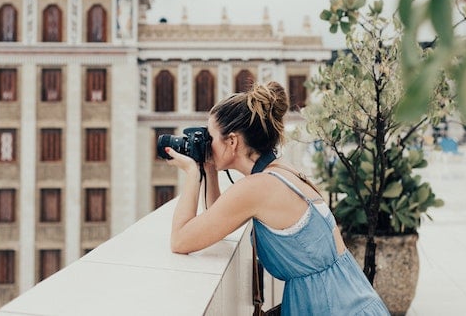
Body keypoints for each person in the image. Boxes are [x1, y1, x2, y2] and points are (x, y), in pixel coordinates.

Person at [164, 81, 389, 315]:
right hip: (352, 300)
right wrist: (208, 168)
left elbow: (180, 240)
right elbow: (217, 219)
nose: (206, 144)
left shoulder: (257, 187)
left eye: (210, 138)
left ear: (232, 141)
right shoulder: (281, 171)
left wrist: (191, 173)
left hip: (332, 307)